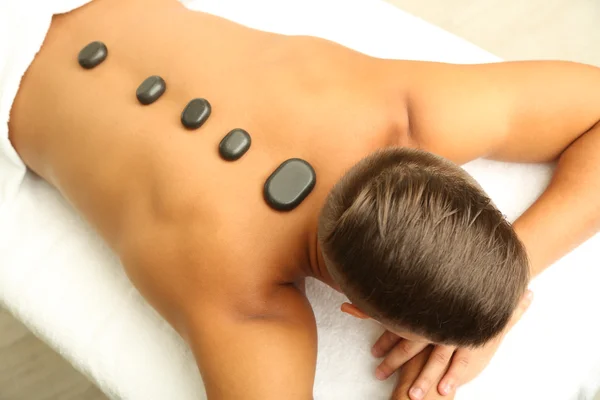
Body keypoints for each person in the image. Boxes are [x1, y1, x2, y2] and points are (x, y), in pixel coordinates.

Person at [7, 0, 600, 399]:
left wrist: (500, 275)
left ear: (436, 169)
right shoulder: (242, 303)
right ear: (358, 312)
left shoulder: (402, 107)